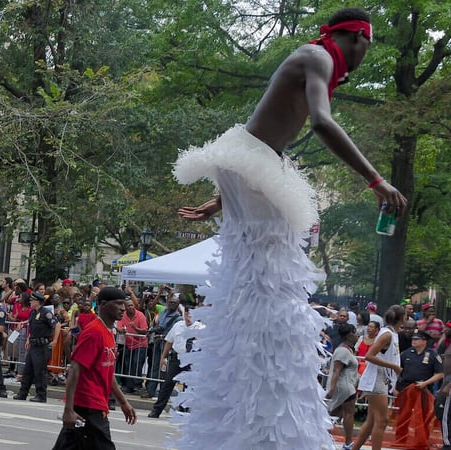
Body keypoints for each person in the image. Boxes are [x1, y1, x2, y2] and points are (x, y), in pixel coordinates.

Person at [173, 8, 405, 448]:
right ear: (356, 37)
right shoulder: (316, 57)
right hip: (251, 160)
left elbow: (268, 127)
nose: (364, 56)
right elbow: (320, 122)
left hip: (252, 161)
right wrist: (376, 180)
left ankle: (251, 400)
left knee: (261, 275)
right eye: (367, 45)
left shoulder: (315, 60)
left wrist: (225, 199)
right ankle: (262, 408)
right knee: (268, 278)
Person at [56, 287, 137, 449]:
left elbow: (107, 373)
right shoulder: (94, 332)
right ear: (103, 304)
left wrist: (123, 402)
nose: (123, 308)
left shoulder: (109, 332)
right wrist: (68, 409)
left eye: (124, 304)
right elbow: (74, 369)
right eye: (119, 304)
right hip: (87, 406)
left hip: (95, 404)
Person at [350, 305, 406, 450]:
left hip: (383, 377)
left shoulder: (393, 334)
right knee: (382, 420)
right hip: (377, 377)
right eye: (405, 315)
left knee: (371, 420)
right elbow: (369, 356)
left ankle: (355, 448)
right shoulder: (387, 334)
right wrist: (393, 367)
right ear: (401, 318)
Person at [148, 303, 203, 418]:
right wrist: (163, 357)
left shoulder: (200, 327)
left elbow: (203, 344)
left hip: (191, 359)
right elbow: (169, 341)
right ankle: (157, 410)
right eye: (186, 313)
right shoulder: (178, 325)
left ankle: (184, 409)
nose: (188, 316)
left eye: (191, 314)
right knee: (167, 384)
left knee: (188, 386)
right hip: (177, 358)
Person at [15, 293, 55, 402]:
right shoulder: (33, 312)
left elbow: (56, 325)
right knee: (28, 370)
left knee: (40, 371)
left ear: (38, 301)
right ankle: (22, 393)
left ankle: (41, 395)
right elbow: (33, 327)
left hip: (42, 346)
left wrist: (55, 340)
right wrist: (28, 339)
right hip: (33, 345)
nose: (30, 302)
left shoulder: (46, 313)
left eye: (32, 300)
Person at [325, 323, 360, 448]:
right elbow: (336, 371)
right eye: (355, 333)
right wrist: (331, 389)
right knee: (347, 414)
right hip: (344, 387)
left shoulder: (347, 349)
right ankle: (348, 442)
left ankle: (347, 441)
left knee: (337, 413)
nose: (357, 336)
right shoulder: (342, 351)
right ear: (349, 335)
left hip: (347, 385)